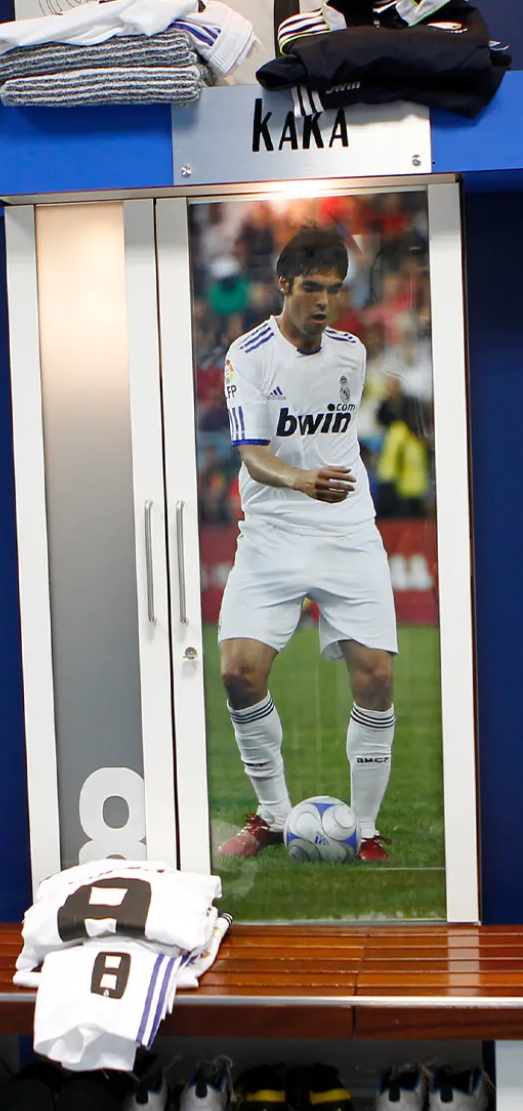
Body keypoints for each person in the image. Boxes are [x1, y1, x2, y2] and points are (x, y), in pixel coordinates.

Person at [216, 226, 397, 863]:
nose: (324, 301)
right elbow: (254, 455)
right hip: (272, 533)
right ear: (284, 285)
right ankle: (270, 814)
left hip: (348, 532)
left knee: (376, 677)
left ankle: (367, 831)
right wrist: (301, 481)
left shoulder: (351, 353)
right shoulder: (249, 353)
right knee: (239, 674)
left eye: (335, 290)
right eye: (313, 288)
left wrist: (324, 487)